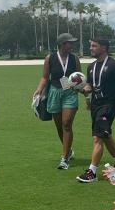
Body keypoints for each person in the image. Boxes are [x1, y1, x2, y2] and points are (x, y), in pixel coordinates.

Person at [76, 38, 115, 183]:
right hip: (95, 106)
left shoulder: (114, 65)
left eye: (94, 46)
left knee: (98, 137)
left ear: (104, 48)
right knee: (105, 135)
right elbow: (90, 87)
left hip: (108, 106)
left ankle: (91, 172)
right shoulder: (91, 66)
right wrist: (82, 89)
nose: (91, 48)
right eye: (90, 45)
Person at [33, 33, 82, 170]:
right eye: (69, 43)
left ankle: (64, 158)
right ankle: (68, 150)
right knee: (60, 126)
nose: (72, 45)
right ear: (61, 44)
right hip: (54, 92)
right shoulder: (50, 58)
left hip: (70, 93)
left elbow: (79, 76)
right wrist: (39, 90)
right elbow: (45, 77)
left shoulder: (75, 59)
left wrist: (83, 90)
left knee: (66, 124)